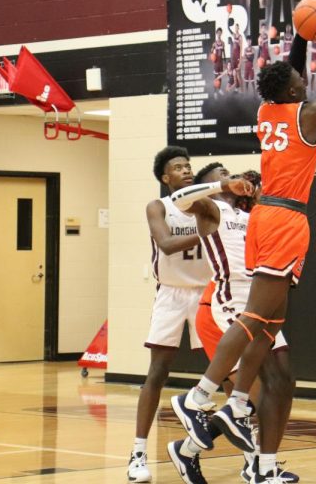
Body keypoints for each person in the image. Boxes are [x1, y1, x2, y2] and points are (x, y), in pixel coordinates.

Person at [172, 23, 316, 484]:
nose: (307, 80)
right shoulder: (308, 112)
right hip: (284, 218)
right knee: (258, 317)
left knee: (272, 322)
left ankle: (238, 404)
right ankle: (198, 398)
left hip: (269, 218)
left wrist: (302, 35)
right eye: (302, 80)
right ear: (296, 89)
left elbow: (289, 73)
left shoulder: (267, 112)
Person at [167, 166, 298, 484]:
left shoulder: (251, 214)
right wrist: (223, 184)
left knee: (283, 383)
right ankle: (254, 464)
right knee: (256, 393)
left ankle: (263, 466)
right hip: (230, 300)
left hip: (261, 297)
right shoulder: (212, 208)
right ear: (213, 183)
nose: (233, 175)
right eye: (223, 173)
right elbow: (177, 199)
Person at [128, 147, 213, 483]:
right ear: (165, 178)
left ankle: (253, 455)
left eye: (188, 166)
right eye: (178, 168)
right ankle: (137, 452)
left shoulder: (208, 207)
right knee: (158, 370)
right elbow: (164, 243)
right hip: (172, 294)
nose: (186, 171)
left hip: (207, 292)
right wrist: (207, 232)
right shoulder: (158, 206)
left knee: (227, 369)